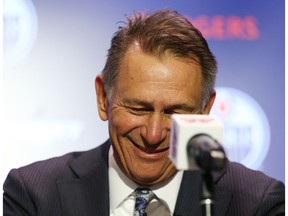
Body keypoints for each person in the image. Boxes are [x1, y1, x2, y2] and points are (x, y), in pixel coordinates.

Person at [3, 9, 284, 216]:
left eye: (175, 113)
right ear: (103, 97)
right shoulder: (34, 195)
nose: (153, 134)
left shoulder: (256, 203)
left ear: (205, 110)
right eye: (138, 108)